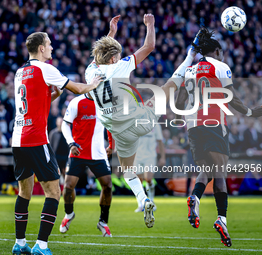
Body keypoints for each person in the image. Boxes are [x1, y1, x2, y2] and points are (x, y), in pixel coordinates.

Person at [85, 14, 198, 228]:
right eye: (117, 55)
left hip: (118, 131)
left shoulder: (89, 71)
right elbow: (149, 45)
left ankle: (143, 199)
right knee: (165, 90)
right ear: (113, 59)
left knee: (128, 171)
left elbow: (98, 56)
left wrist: (111, 34)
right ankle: (191, 56)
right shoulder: (120, 66)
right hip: (139, 122)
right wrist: (150, 24)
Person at [11, 32, 102, 255]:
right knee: (53, 192)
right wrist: (93, 84)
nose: (52, 48)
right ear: (41, 48)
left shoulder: (20, 72)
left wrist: (55, 94)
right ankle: (41, 245)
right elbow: (78, 89)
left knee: (24, 192)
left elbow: (35, 101)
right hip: (36, 139)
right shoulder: (46, 69)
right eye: (49, 44)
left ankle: (19, 243)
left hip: (18, 139)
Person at [175, 27, 262, 247]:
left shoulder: (190, 70)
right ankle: (221, 218)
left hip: (193, 126)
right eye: (221, 52)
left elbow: (178, 103)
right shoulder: (221, 67)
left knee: (209, 169)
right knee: (220, 171)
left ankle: (195, 198)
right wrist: (251, 112)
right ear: (216, 51)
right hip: (214, 123)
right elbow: (231, 99)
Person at [59, 93, 113, 237]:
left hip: (98, 153)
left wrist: (112, 145)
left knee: (107, 186)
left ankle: (103, 221)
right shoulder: (77, 102)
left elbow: (110, 125)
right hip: (78, 150)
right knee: (68, 186)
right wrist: (71, 143)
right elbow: (65, 124)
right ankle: (69, 214)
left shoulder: (105, 103)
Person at [133, 125, 165, 212]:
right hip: (137, 156)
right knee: (138, 182)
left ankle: (151, 201)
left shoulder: (155, 124)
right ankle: (140, 204)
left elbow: (160, 141)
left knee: (148, 179)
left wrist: (162, 157)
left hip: (150, 156)